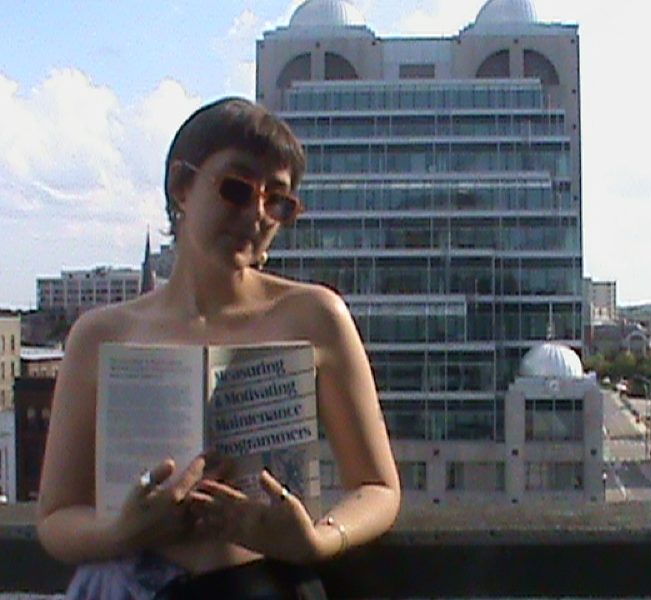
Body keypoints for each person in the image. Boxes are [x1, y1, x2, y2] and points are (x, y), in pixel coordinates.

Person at [36, 97, 402, 600]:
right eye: (237, 188)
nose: (257, 214)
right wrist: (123, 532)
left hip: (266, 585)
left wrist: (319, 540)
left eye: (278, 202)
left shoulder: (316, 315)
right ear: (181, 187)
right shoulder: (99, 335)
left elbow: (379, 486)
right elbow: (56, 516)